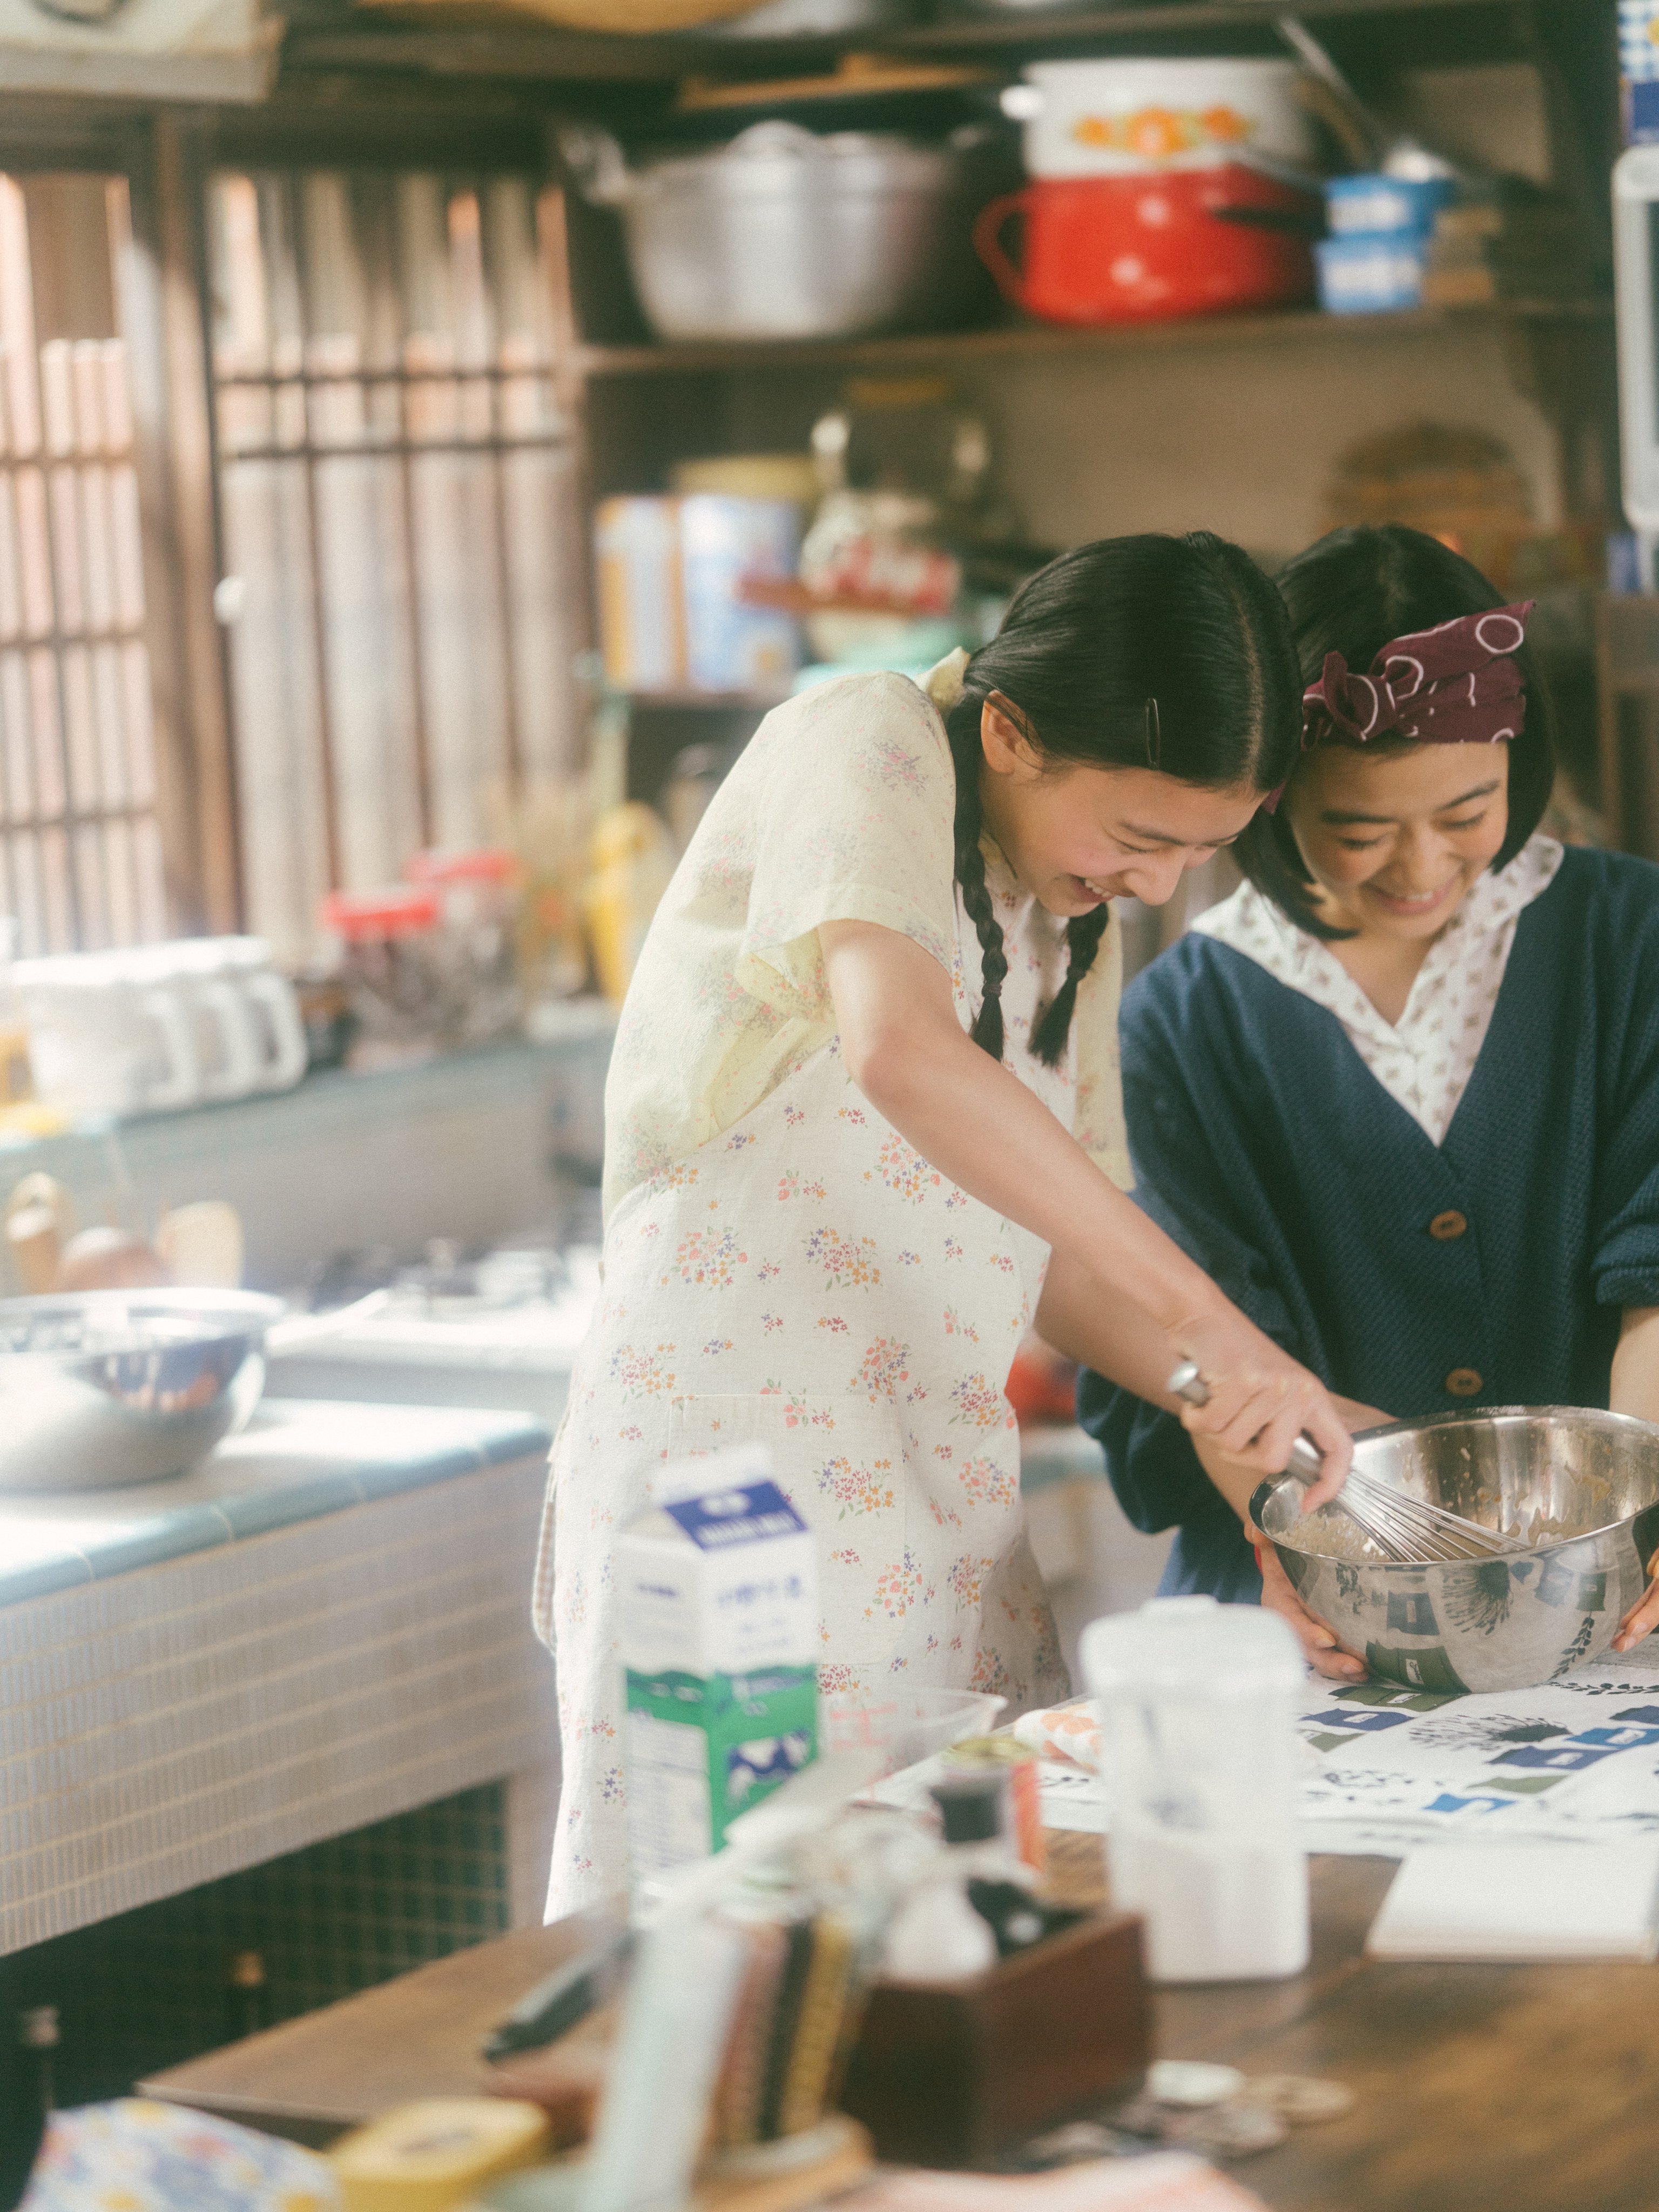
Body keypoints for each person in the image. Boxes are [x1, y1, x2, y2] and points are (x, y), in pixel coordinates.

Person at [534, 532, 1356, 1912]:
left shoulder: (1067, 914)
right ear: (1016, 730)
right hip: (732, 1494)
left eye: (1199, 855)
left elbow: (1061, 1272)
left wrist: (1250, 1406)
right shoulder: (869, 737)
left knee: (956, 1948)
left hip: (933, 1501)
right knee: (716, 1948)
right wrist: (1213, 1319)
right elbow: (902, 1053)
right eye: (1142, 837)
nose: (1158, 886)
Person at [1080, 523, 1659, 1680]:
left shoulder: (1626, 937)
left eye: (1467, 812)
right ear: (1266, 795)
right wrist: (1294, 1540)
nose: (1421, 866)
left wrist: (1644, 1503)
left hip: (1607, 1609)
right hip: (1314, 1606)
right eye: (1358, 829)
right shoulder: (1188, 1018)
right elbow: (1195, 1360)